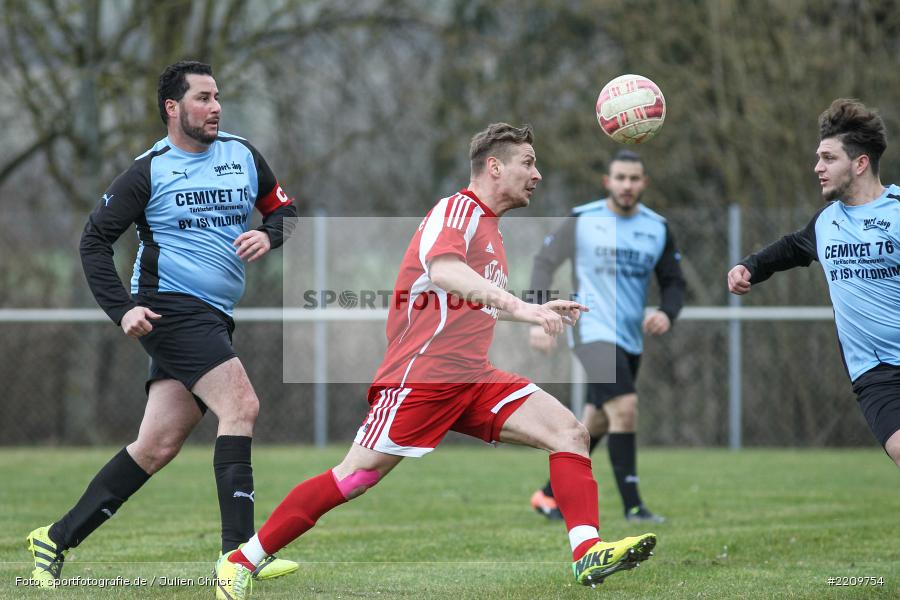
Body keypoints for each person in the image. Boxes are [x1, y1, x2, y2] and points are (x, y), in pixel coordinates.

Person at [213, 123, 657, 599]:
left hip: (473, 378)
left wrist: (534, 310)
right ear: (494, 167)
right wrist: (521, 308)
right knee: (354, 477)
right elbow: (444, 272)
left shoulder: (490, 228)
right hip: (421, 379)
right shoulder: (457, 210)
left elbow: (474, 299)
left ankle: (586, 551)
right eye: (527, 163)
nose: (538, 174)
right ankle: (243, 559)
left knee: (570, 432)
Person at [25, 61, 299, 587]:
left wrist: (270, 235)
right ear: (173, 108)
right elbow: (93, 241)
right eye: (201, 98)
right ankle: (237, 557)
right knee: (241, 406)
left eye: (217, 96)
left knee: (155, 446)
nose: (215, 106)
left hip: (215, 316)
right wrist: (121, 308)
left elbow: (284, 211)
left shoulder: (242, 155)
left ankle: (54, 539)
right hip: (170, 307)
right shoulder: (148, 171)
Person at [728, 98, 900, 469]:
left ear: (860, 163)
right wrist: (749, 267)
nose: (817, 167)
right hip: (875, 373)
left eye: (828, 158)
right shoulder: (825, 224)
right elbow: (791, 247)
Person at [528, 150, 685, 524]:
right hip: (590, 329)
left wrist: (667, 312)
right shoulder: (583, 219)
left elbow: (674, 282)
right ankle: (634, 507)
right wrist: (538, 315)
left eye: (634, 178)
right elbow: (543, 263)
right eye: (620, 178)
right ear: (607, 182)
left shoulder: (657, 228)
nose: (627, 185)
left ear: (643, 183)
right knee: (625, 407)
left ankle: (547, 495)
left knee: (596, 422)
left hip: (630, 337)